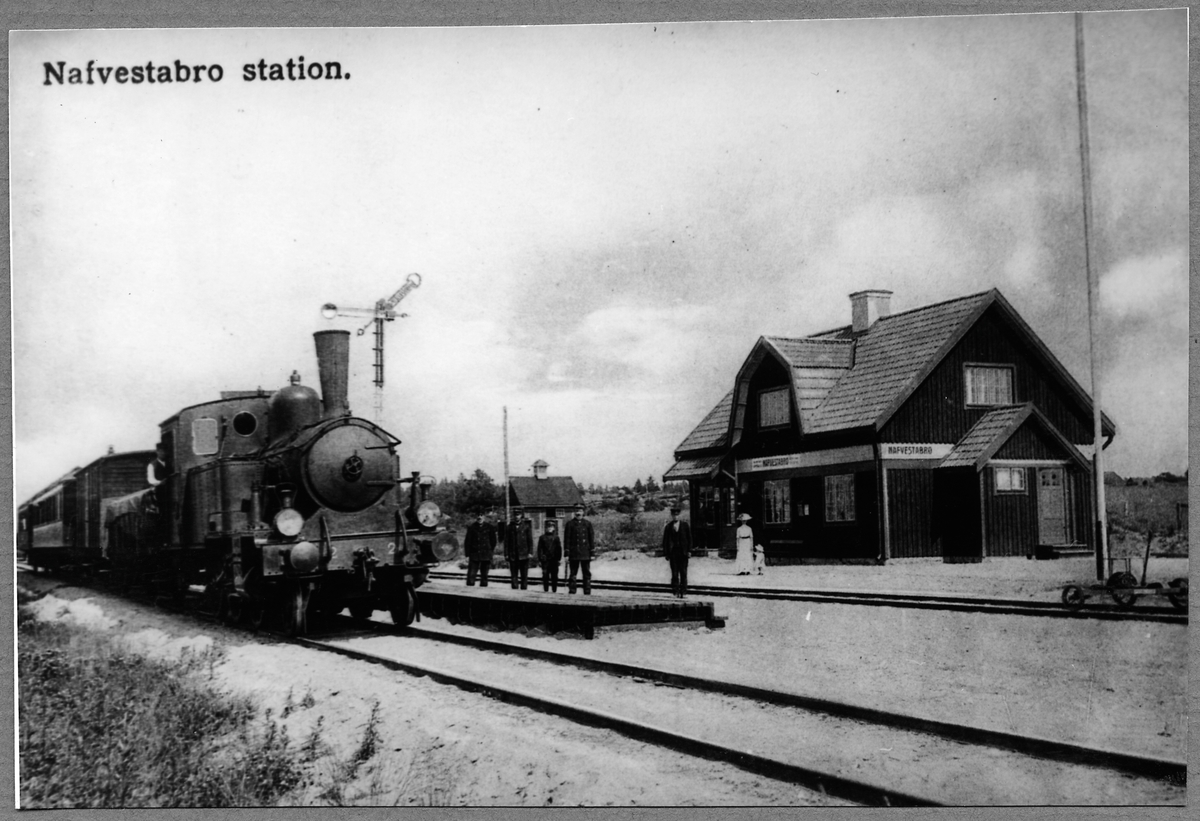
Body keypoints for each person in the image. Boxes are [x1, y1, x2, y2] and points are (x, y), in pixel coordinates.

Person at [661, 506, 692, 598]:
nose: (675, 517)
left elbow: (690, 539)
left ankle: (683, 591)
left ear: (679, 515)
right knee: (674, 573)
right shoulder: (668, 527)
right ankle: (675, 591)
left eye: (677, 515)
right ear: (671, 516)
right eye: (674, 515)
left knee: (683, 572)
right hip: (673, 553)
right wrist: (666, 553)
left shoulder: (685, 526)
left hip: (683, 553)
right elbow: (665, 541)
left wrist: (689, 550)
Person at [562, 507, 595, 595]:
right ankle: (572, 591)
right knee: (573, 573)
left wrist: (592, 552)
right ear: (574, 512)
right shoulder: (570, 524)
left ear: (583, 512)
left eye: (580, 511)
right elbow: (567, 540)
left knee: (586, 573)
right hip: (574, 553)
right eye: (577, 511)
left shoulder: (587, 524)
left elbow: (591, 539)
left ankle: (587, 592)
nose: (578, 513)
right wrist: (566, 553)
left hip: (585, 552)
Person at [463, 512, 496, 587]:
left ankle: (483, 591)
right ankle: (469, 591)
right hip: (474, 554)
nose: (480, 518)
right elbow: (467, 541)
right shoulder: (472, 527)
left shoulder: (489, 527)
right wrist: (467, 554)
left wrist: (489, 550)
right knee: (471, 575)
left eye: (481, 516)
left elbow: (493, 541)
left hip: (485, 554)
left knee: (484, 576)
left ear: (484, 517)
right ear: (476, 517)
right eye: (478, 516)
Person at [504, 508, 533, 590]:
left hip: (524, 554)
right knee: (514, 575)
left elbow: (530, 540)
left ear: (521, 516)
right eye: (515, 515)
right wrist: (506, 554)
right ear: (513, 516)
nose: (517, 517)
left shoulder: (526, 527)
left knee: (524, 575)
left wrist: (530, 552)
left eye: (518, 515)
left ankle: (524, 590)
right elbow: (506, 542)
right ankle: (515, 591)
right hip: (513, 554)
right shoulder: (509, 527)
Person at [537, 520, 563, 592]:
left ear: (554, 528)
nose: (549, 528)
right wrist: (540, 558)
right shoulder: (542, 537)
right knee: (545, 576)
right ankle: (546, 590)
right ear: (545, 528)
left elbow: (559, 549)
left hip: (554, 560)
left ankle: (554, 590)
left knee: (554, 576)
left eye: (551, 527)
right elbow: (539, 549)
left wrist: (558, 559)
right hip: (545, 560)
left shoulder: (556, 538)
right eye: (548, 527)